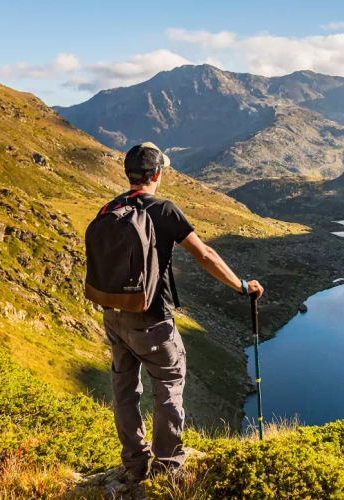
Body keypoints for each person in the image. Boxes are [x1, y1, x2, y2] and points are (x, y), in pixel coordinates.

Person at [99, 142, 264, 482]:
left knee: (125, 391)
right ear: (157, 174)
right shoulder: (164, 210)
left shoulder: (108, 209)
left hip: (115, 316)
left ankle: (134, 464)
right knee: (168, 388)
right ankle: (168, 468)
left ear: (128, 174)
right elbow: (204, 255)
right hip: (153, 320)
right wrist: (241, 286)